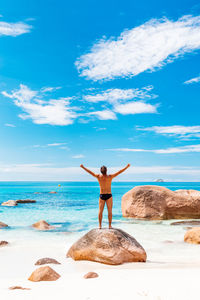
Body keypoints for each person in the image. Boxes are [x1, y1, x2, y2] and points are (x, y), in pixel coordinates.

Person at [80, 164, 131, 229]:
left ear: (101, 171)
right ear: (106, 170)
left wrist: (83, 167)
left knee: (102, 211)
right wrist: (126, 167)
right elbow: (119, 172)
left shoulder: (99, 176)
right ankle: (107, 225)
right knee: (108, 211)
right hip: (108, 195)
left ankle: (101, 226)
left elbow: (90, 172)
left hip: (102, 195)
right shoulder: (109, 177)